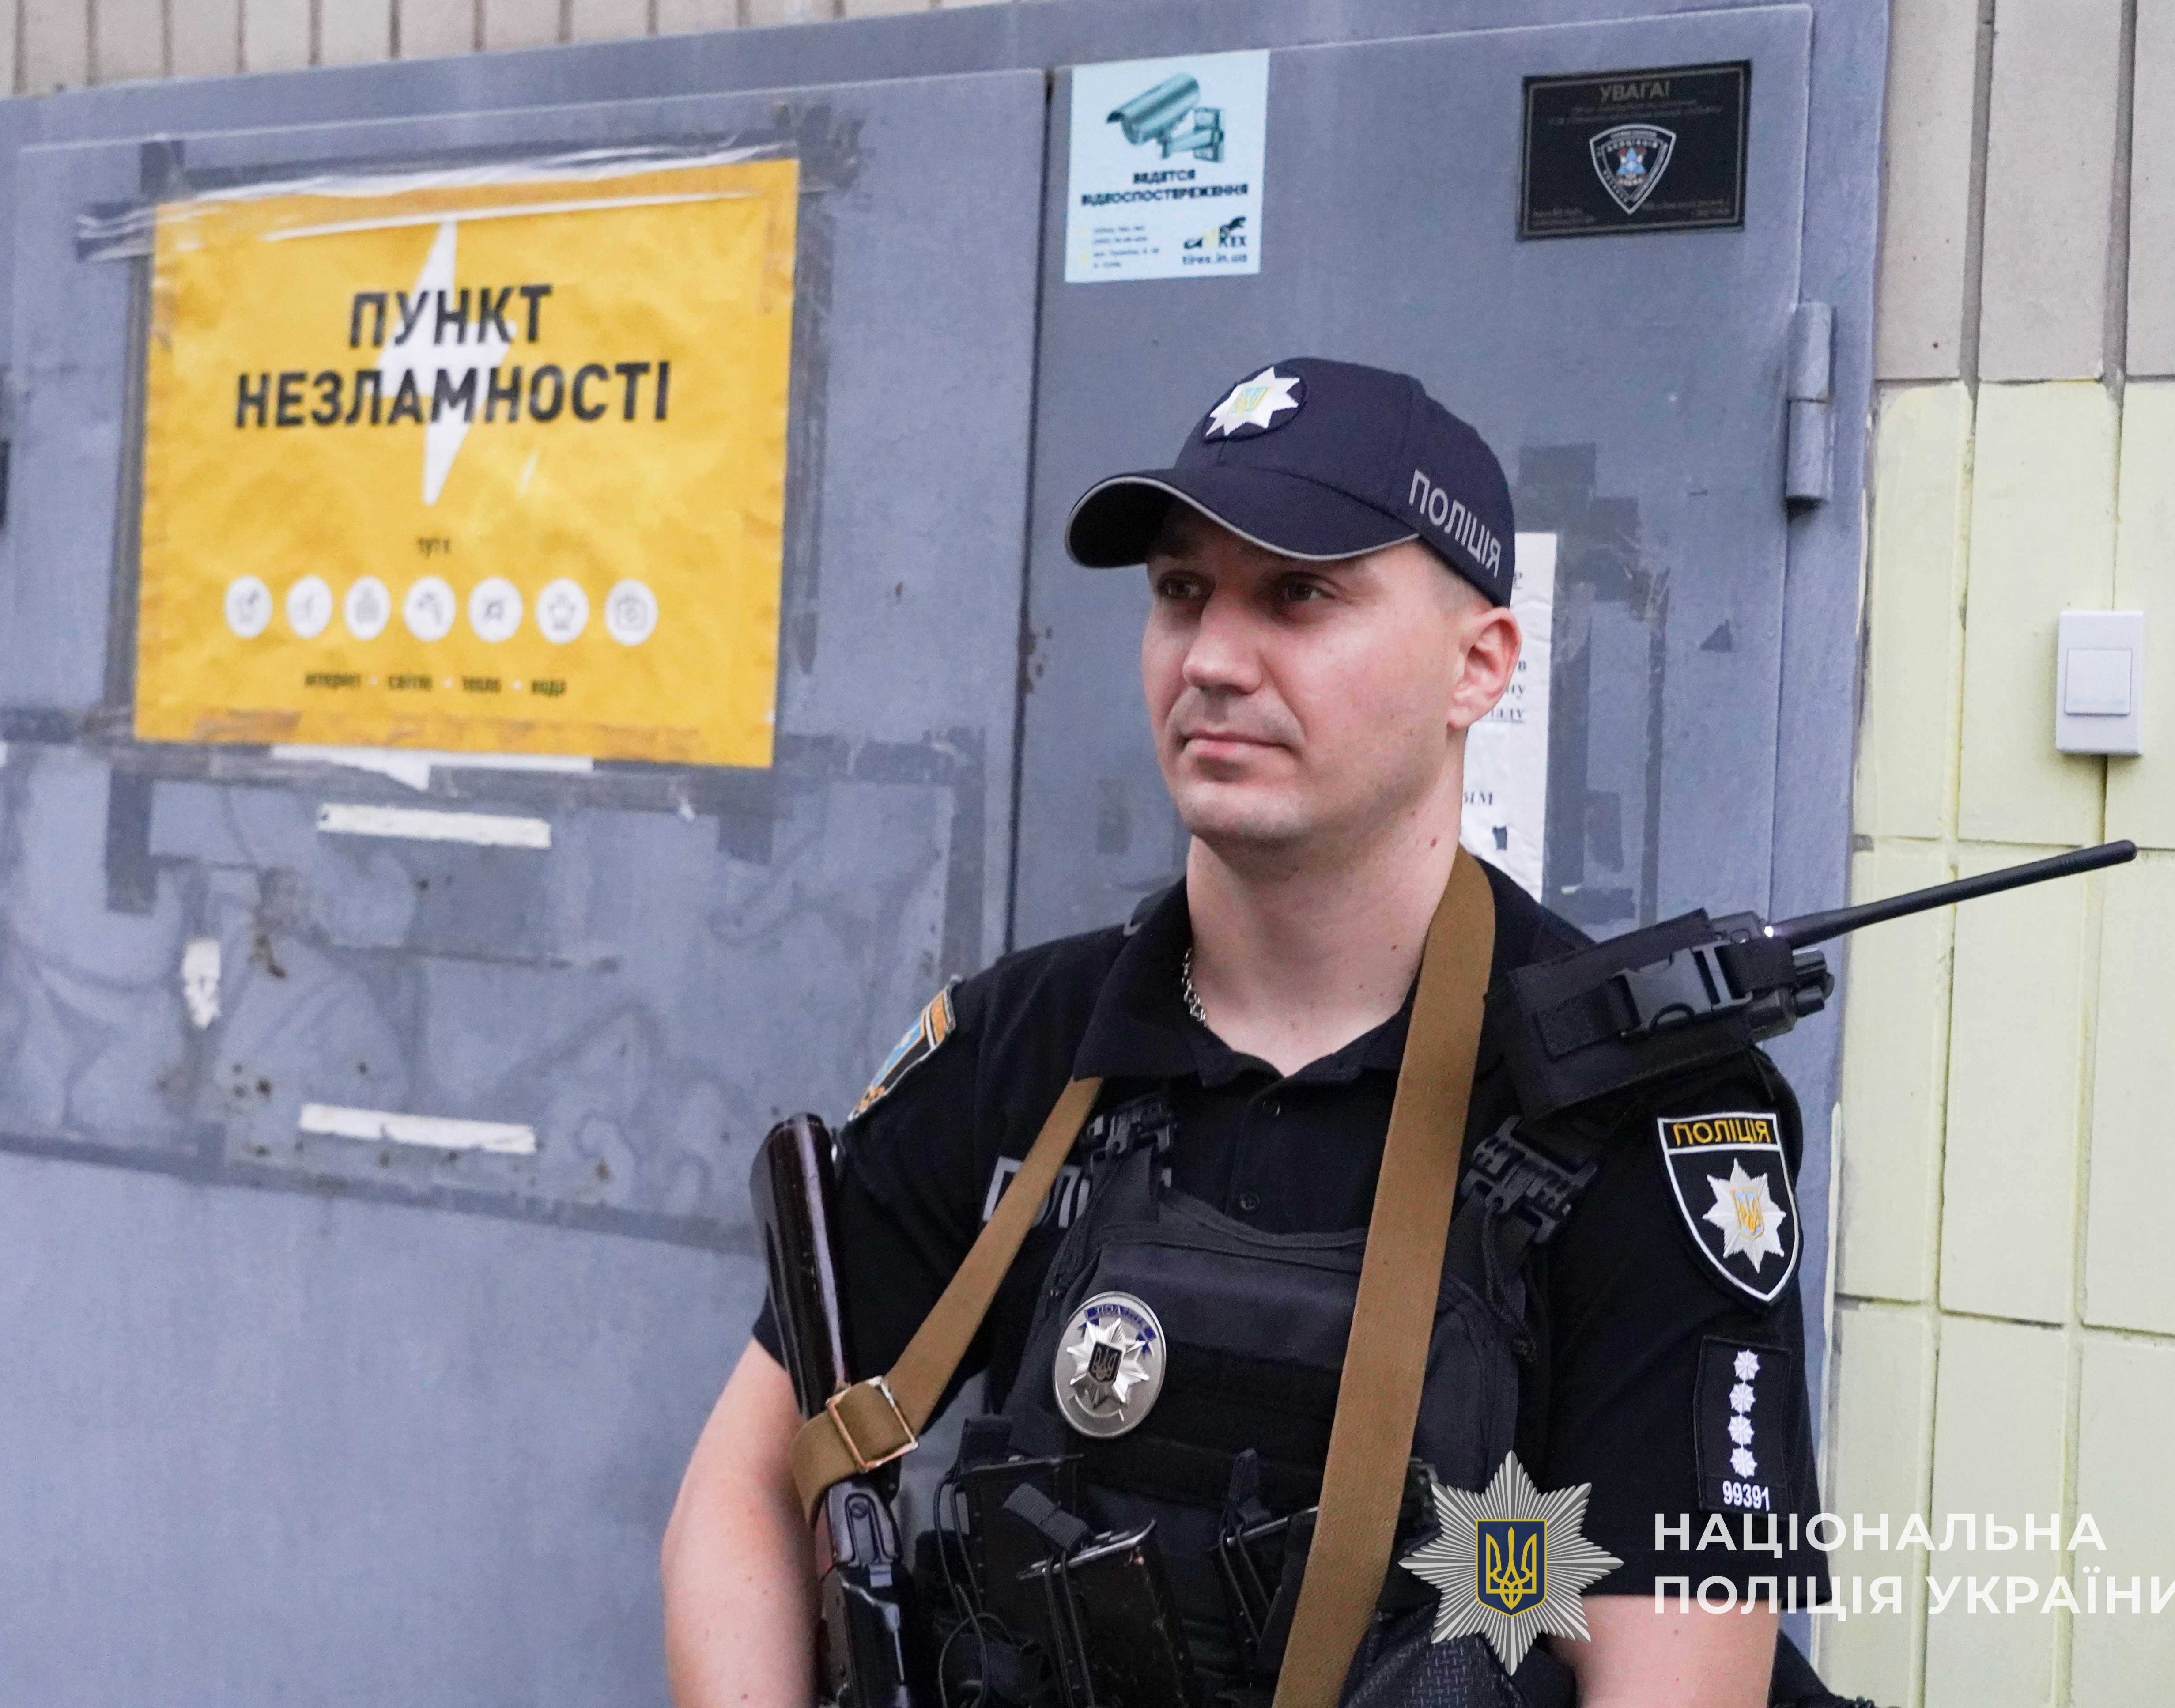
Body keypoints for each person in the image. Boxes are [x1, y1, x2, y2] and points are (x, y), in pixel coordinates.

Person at [663, 359, 1828, 1708]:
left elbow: (1676, 1672)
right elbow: (749, 1482)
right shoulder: (1026, 1045)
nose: (1212, 660)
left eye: (1299, 595)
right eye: (1180, 592)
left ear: (1478, 666)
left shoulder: (1641, 1109)